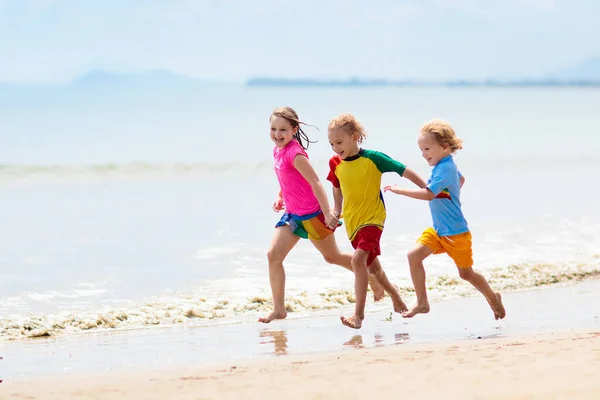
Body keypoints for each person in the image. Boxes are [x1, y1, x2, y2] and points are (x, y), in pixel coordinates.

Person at [259, 107, 384, 324]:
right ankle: (279, 309)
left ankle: (372, 278)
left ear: (294, 130)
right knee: (273, 256)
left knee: (332, 257)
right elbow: (288, 178)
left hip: (313, 214)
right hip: (292, 214)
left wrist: (328, 213)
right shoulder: (277, 150)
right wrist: (281, 195)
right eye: (273, 129)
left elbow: (315, 182)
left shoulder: (295, 153)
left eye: (283, 130)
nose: (277, 134)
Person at [384, 119, 506, 320]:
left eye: (427, 149)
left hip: (456, 234)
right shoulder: (445, 166)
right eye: (421, 150)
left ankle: (493, 297)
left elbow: (429, 194)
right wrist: (450, 195)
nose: (424, 154)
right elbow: (461, 180)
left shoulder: (445, 169)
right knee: (413, 256)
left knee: (466, 274)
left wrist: (400, 190)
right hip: (439, 231)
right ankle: (422, 303)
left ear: (445, 147)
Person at [326, 113, 427, 329]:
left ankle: (358, 316)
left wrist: (427, 188)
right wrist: (336, 210)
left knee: (357, 260)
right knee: (373, 269)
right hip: (353, 222)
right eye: (332, 143)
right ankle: (395, 295)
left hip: (373, 219)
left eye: (339, 142)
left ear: (354, 137)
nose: (335, 148)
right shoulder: (335, 163)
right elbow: (336, 185)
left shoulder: (373, 158)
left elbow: (403, 170)